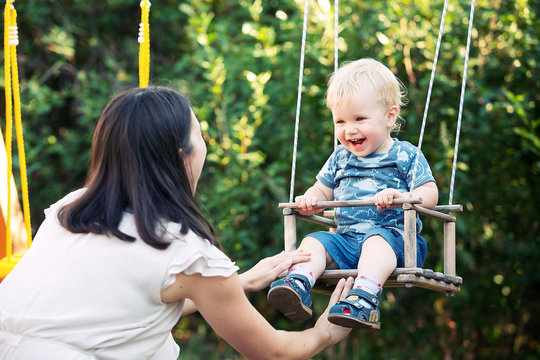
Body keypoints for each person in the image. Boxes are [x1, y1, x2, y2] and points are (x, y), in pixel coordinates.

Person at [0, 86, 355, 360]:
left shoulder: (70, 209)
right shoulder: (185, 251)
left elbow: (125, 308)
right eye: (200, 135)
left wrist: (240, 282)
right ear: (181, 155)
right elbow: (273, 351)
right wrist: (326, 331)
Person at [267, 58, 438, 329]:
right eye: (341, 121)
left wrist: (402, 197)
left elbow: (430, 192)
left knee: (376, 241)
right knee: (314, 241)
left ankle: (365, 300)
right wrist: (311, 198)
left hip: (395, 242)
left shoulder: (405, 154)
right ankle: (298, 284)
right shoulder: (340, 157)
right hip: (347, 242)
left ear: (389, 117)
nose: (349, 129)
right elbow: (322, 189)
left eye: (359, 118)